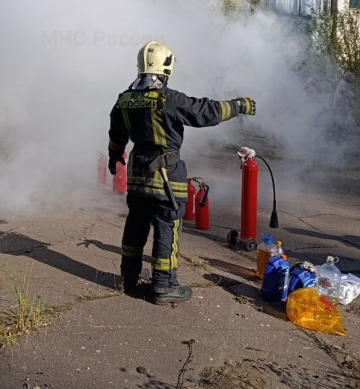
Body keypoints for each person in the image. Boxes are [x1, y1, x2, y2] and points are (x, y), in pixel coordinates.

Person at [108, 41, 256, 304]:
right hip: (166, 178)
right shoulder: (170, 99)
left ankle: (128, 277)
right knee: (166, 229)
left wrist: (114, 157)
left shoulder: (124, 100)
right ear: (167, 67)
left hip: (137, 177)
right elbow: (207, 111)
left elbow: (116, 137)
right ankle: (163, 285)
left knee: (135, 226)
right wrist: (238, 106)